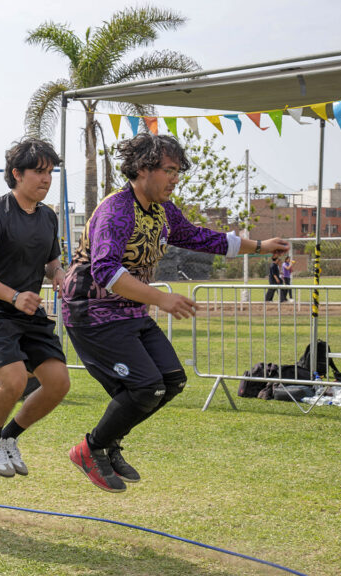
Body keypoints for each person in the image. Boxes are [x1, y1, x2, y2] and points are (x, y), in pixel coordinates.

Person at [61, 133, 290, 492]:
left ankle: (106, 444)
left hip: (130, 311)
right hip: (92, 312)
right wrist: (161, 298)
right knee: (145, 387)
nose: (175, 178)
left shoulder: (163, 211)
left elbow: (204, 238)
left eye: (177, 171)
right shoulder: (116, 210)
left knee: (171, 382)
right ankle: (90, 450)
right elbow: (105, 271)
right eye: (169, 170)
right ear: (142, 168)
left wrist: (260, 246)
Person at [0, 139, 72, 478]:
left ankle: (9, 438)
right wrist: (12, 296)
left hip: (29, 314)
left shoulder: (48, 217)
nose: (46, 179)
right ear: (16, 174)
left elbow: (51, 261)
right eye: (39, 172)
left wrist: (58, 273)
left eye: (50, 172)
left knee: (58, 383)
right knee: (12, 380)